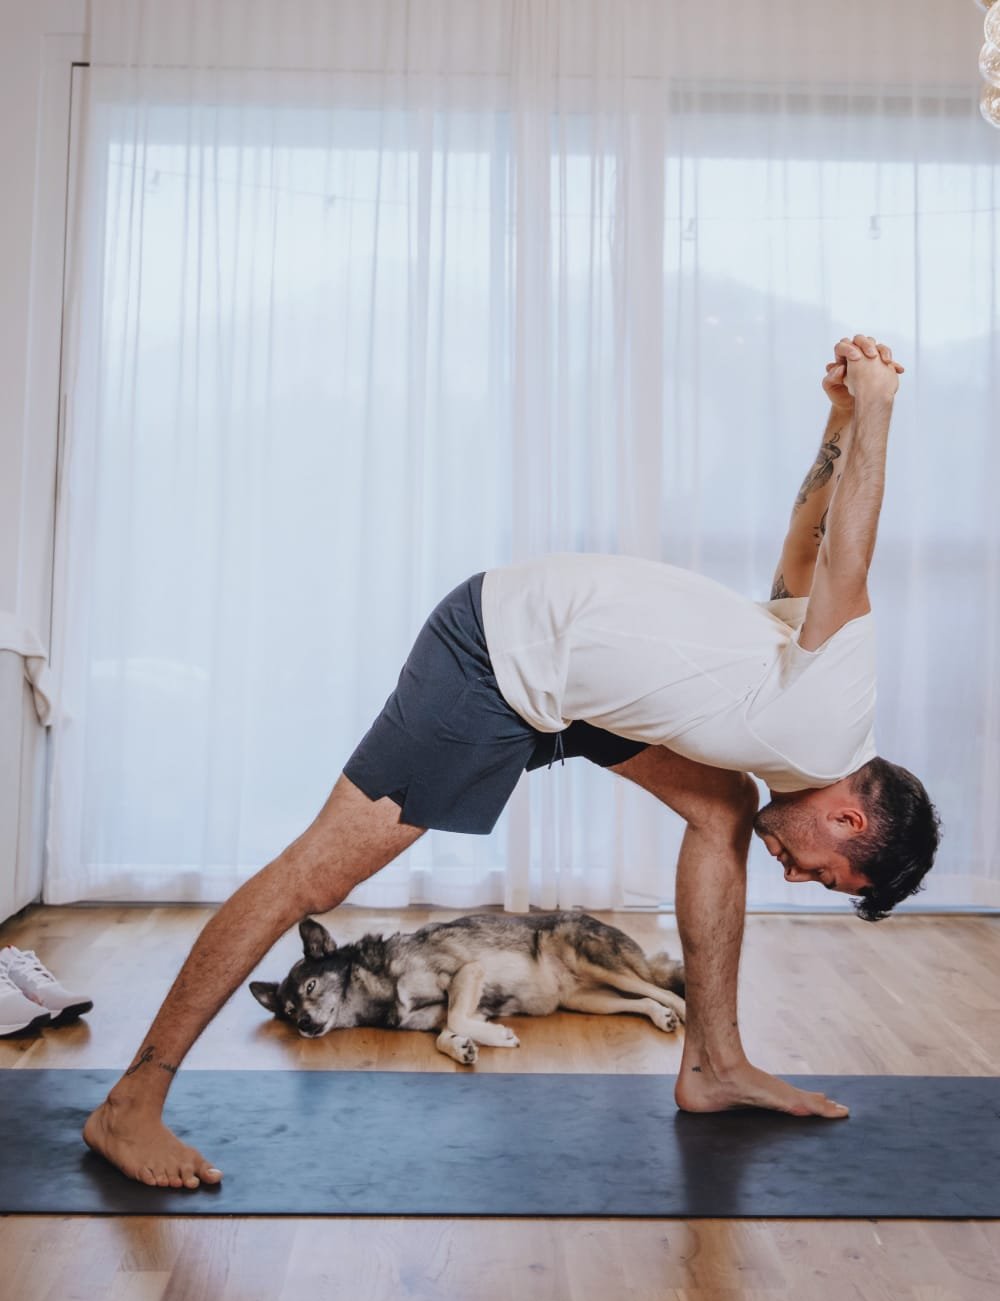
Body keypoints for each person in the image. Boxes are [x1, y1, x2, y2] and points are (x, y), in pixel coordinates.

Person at [83, 333, 940, 1189]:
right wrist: (875, 408)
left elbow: (806, 547)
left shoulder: (814, 719)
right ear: (850, 819)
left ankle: (714, 1064)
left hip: (571, 685)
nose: (797, 877)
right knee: (314, 878)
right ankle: (131, 1102)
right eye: (828, 876)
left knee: (720, 806)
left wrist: (834, 422)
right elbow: (847, 555)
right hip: (496, 658)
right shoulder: (823, 733)